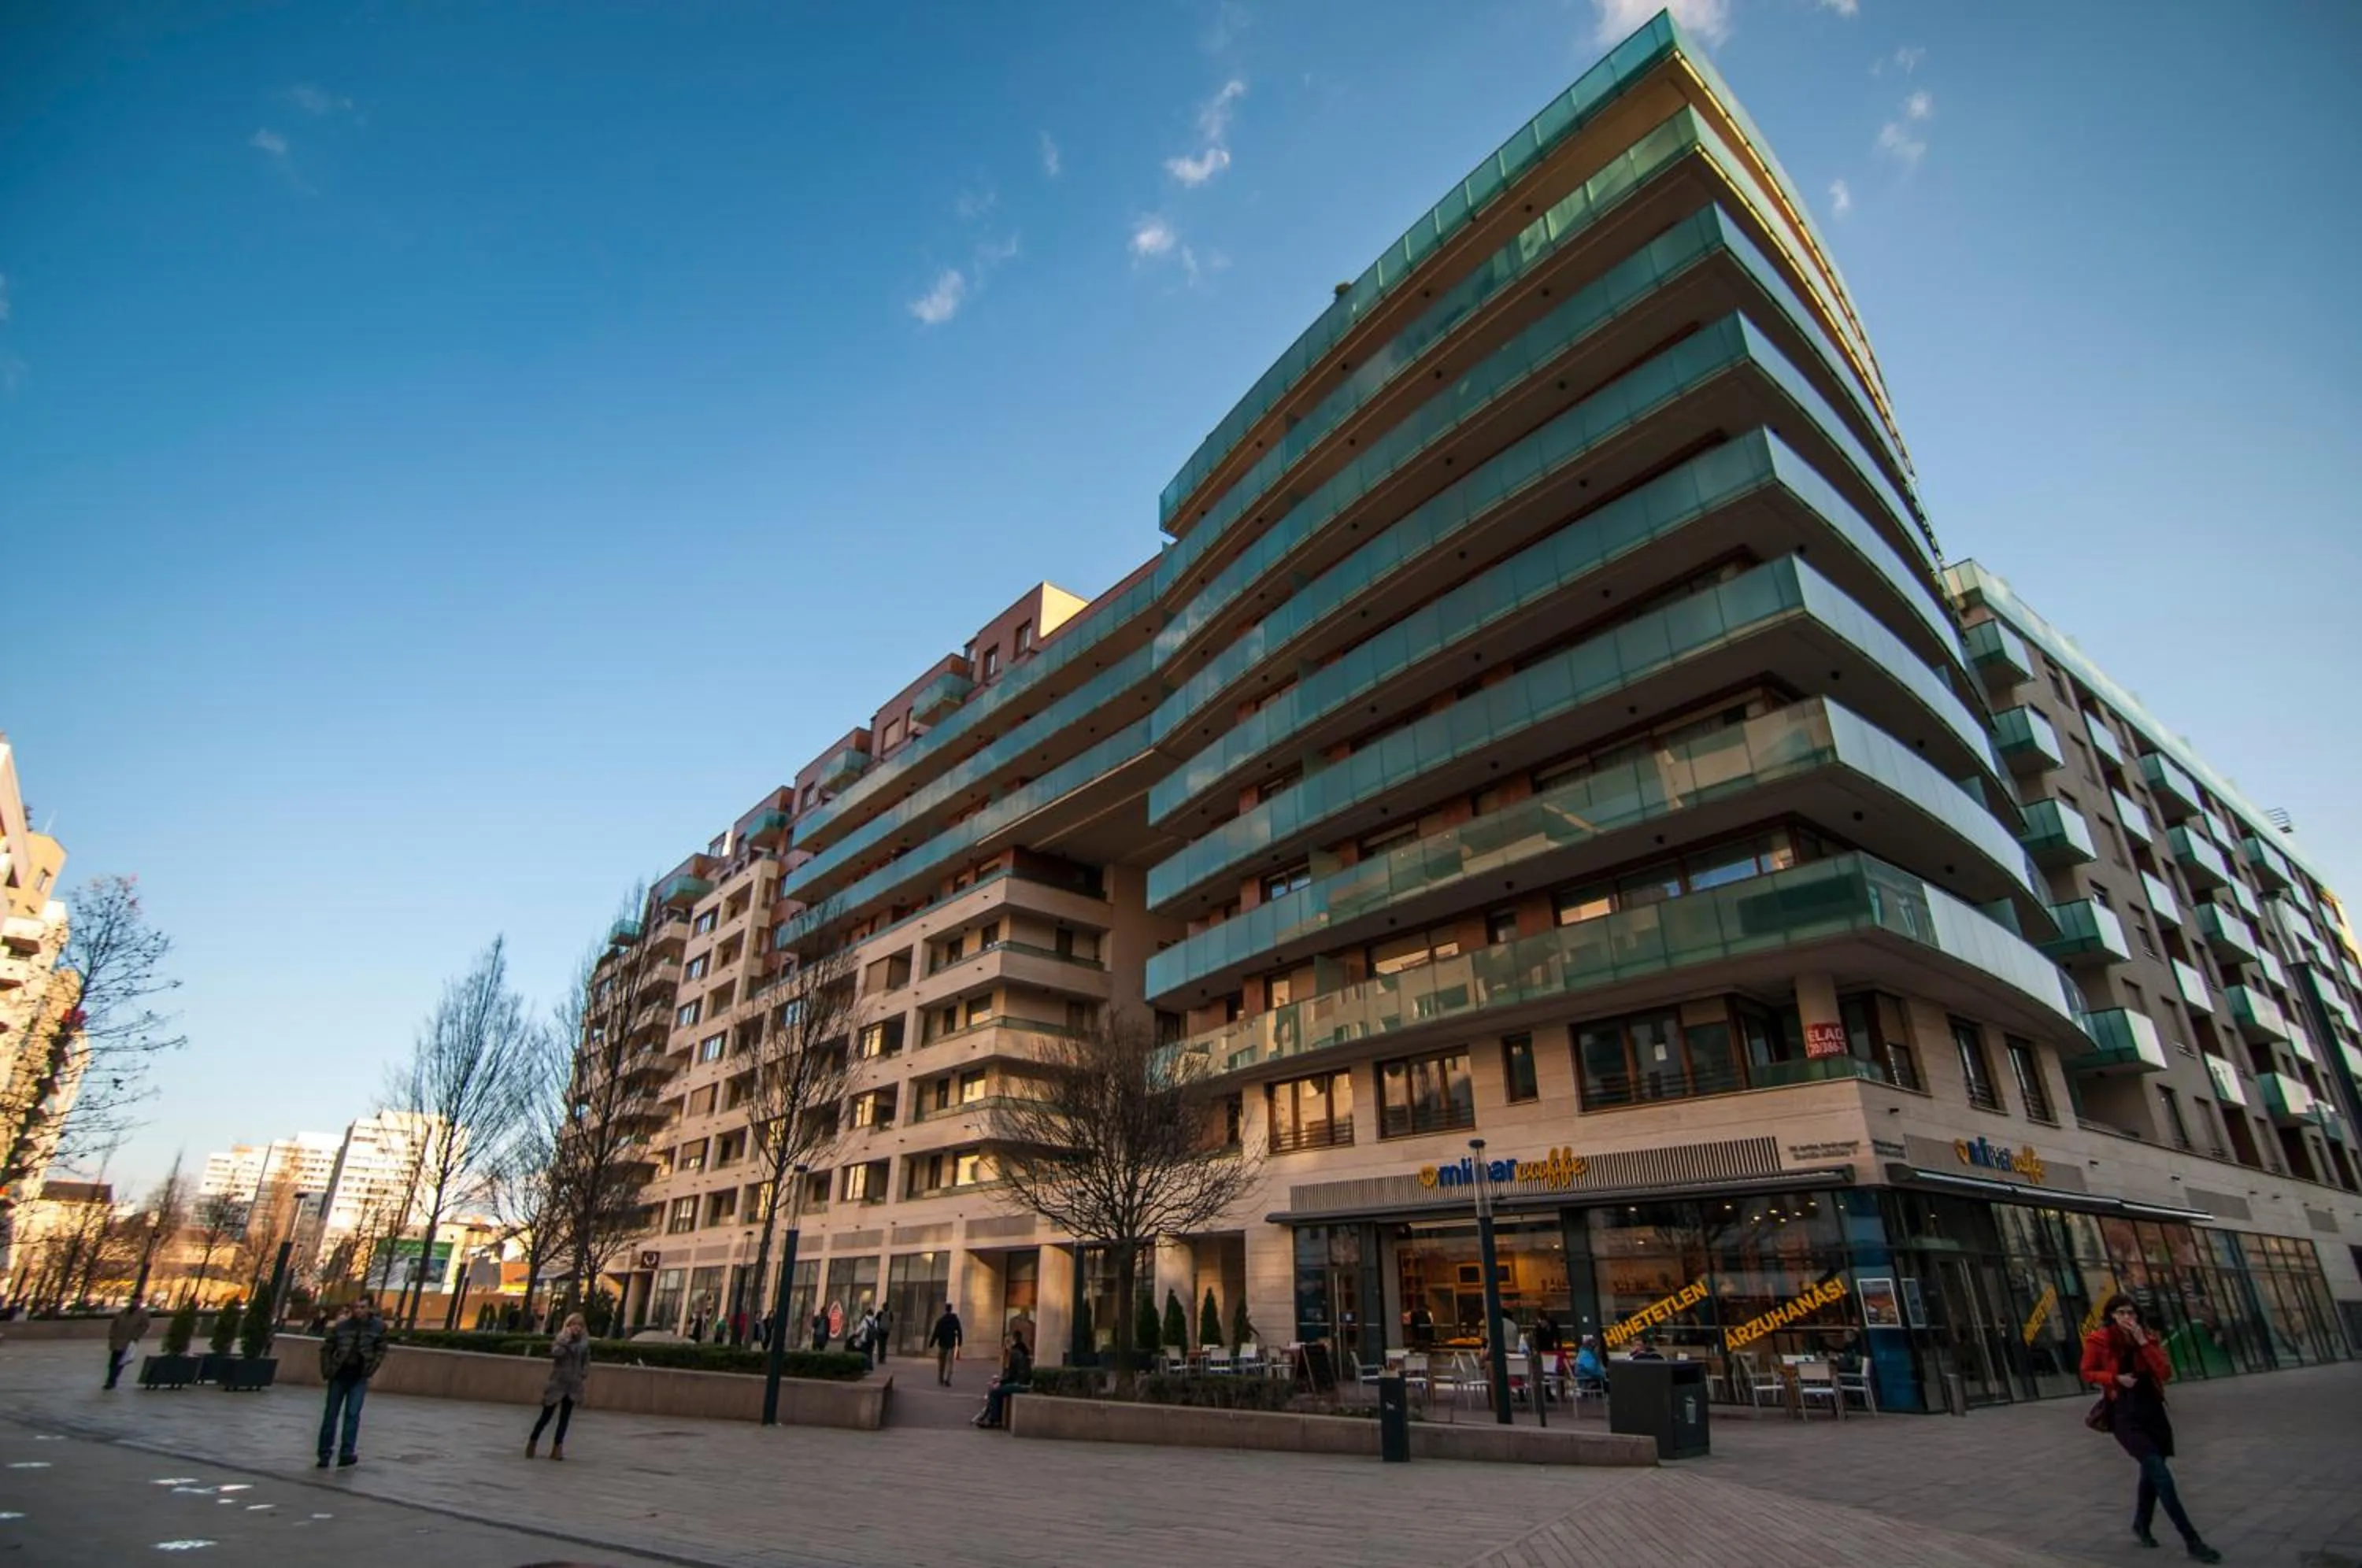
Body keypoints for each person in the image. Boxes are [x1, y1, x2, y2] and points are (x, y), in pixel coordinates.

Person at [2082, 1296, 2221, 1562]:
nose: (2127, 1318)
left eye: (2131, 1313)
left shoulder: (2147, 1338)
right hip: (2124, 1413)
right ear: (2111, 1316)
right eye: (2121, 1313)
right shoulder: (2099, 1340)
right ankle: (2192, 1540)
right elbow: (2087, 1371)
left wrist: (2144, 1343)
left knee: (2152, 1470)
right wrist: (2114, 1378)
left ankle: (2141, 1524)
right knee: (2161, 1475)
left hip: (2152, 1410)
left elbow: (2165, 1372)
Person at [315, 1297, 388, 1469]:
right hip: (339, 1375)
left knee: (352, 1415)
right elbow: (327, 1348)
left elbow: (381, 1350)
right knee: (330, 1415)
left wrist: (371, 1369)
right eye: (356, 1307)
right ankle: (324, 1454)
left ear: (370, 1308)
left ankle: (346, 1453)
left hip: (359, 1376)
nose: (358, 1310)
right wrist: (328, 1370)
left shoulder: (378, 1327)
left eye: (362, 1307)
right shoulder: (342, 1326)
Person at [528, 1312, 591, 1461]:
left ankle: (557, 1449)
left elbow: (586, 1361)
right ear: (567, 1326)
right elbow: (557, 1354)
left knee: (565, 1418)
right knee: (546, 1416)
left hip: (573, 1385)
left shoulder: (584, 1344)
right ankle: (533, 1441)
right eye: (573, 1324)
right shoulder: (561, 1340)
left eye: (579, 1325)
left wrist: (583, 1373)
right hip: (558, 1383)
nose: (576, 1328)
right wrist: (567, 1341)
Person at [972, 1333, 1032, 1429]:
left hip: (1020, 1384)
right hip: (1021, 1383)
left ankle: (993, 1419)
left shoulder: (1015, 1353)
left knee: (994, 1392)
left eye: (1007, 1343)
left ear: (1012, 1343)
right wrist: (1000, 1382)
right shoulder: (1020, 1352)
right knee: (997, 1391)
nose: (1006, 1346)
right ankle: (992, 1418)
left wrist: (1000, 1382)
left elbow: (1012, 1376)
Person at [105, 1299, 151, 1391]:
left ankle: (112, 1381)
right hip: (117, 1340)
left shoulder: (142, 1314)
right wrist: (112, 1335)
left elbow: (145, 1327)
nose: (134, 1303)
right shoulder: (123, 1312)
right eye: (133, 1301)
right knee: (113, 1362)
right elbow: (114, 1324)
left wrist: (136, 1336)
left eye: (136, 1301)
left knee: (120, 1362)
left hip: (129, 1341)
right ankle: (110, 1380)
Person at [929, 1301, 964, 1385]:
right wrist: (959, 1342)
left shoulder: (941, 1320)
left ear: (945, 1309)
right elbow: (959, 1331)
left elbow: (936, 1333)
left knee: (942, 1363)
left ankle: (941, 1379)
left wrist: (932, 1343)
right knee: (950, 1363)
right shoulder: (955, 1320)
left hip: (942, 1344)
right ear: (951, 1309)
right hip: (951, 1344)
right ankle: (948, 1379)